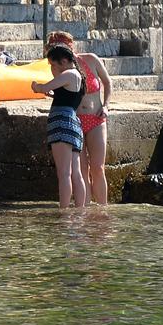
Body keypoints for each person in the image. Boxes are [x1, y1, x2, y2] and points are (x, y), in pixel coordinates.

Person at [46, 30, 112, 206]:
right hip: (75, 121)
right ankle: (84, 211)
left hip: (96, 118)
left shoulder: (91, 59)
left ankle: (102, 210)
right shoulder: (59, 67)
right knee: (81, 170)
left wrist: (106, 105)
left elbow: (107, 82)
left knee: (98, 167)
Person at [32, 44, 88, 209]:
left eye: (53, 65)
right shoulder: (78, 76)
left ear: (64, 61)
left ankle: (64, 212)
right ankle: (80, 211)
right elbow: (67, 97)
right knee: (76, 173)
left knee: (64, 173)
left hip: (62, 122)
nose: (52, 69)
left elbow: (43, 87)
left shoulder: (69, 74)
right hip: (73, 124)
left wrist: (36, 86)